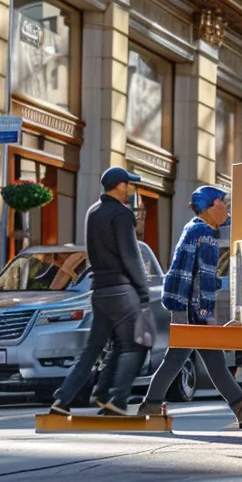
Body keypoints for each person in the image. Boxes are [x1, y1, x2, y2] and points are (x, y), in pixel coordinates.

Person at [140, 186, 242, 428]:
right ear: (212, 206)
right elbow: (204, 277)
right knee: (178, 358)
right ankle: (149, 408)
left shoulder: (194, 228)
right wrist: (204, 312)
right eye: (223, 203)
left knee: (209, 360)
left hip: (183, 304)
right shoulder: (204, 234)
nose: (226, 208)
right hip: (190, 308)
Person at [50, 167, 154, 416]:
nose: (129, 189)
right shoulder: (121, 214)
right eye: (127, 184)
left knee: (97, 348)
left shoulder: (93, 212)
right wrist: (142, 290)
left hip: (99, 291)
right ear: (118, 185)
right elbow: (131, 255)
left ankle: (65, 399)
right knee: (136, 346)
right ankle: (117, 400)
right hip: (121, 290)